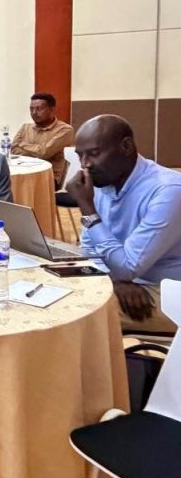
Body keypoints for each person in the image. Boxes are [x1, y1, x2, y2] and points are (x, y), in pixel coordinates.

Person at [66, 115, 180, 334]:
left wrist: (87, 209)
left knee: (80, 310)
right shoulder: (103, 182)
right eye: (80, 156)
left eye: (94, 153)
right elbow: (89, 250)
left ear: (126, 147)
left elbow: (127, 267)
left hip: (170, 293)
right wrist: (111, 281)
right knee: (56, 292)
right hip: (127, 282)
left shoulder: (168, 191)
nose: (85, 164)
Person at [13, 93, 75, 188]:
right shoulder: (25, 127)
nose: (34, 112)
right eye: (31, 109)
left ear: (52, 109)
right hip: (23, 173)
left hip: (48, 177)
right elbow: (14, 149)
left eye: (39, 109)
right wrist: (37, 151)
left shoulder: (65, 130)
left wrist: (22, 144)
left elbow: (44, 152)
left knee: (20, 187)